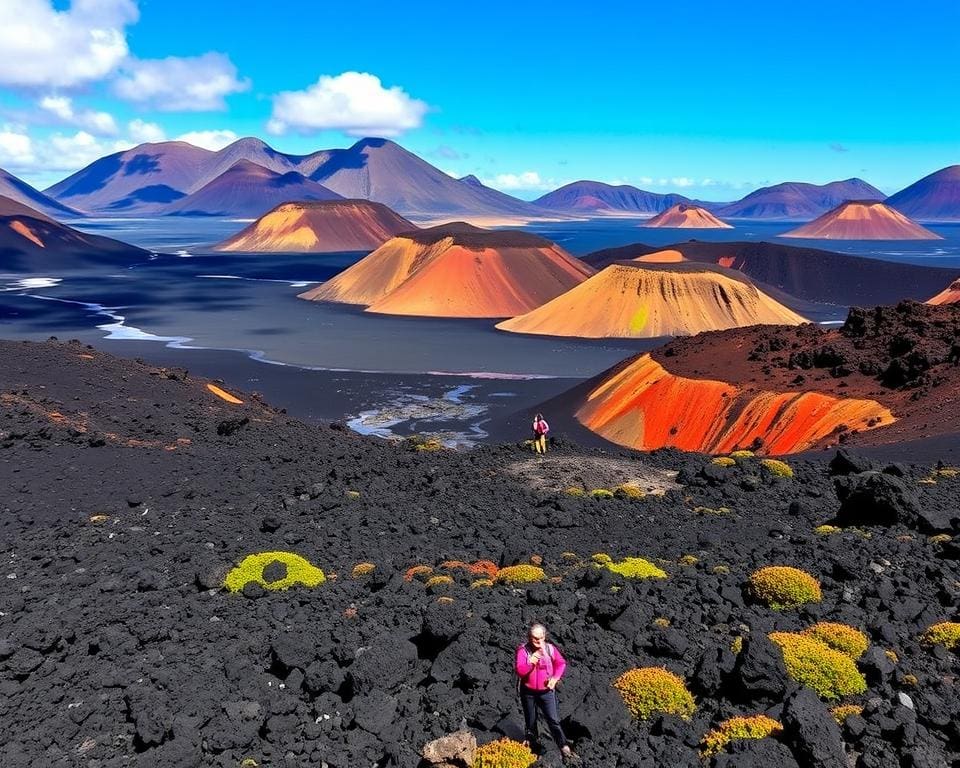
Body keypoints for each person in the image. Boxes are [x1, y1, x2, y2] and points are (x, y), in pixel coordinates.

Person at [515, 622, 575, 759]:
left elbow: (561, 663)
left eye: (541, 638)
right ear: (529, 637)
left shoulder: (550, 649)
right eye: (535, 638)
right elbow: (520, 671)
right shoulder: (523, 651)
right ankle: (532, 745)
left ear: (544, 636)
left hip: (546, 692)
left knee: (553, 720)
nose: (538, 641)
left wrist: (555, 678)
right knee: (530, 720)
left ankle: (563, 745)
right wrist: (532, 661)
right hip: (528, 692)